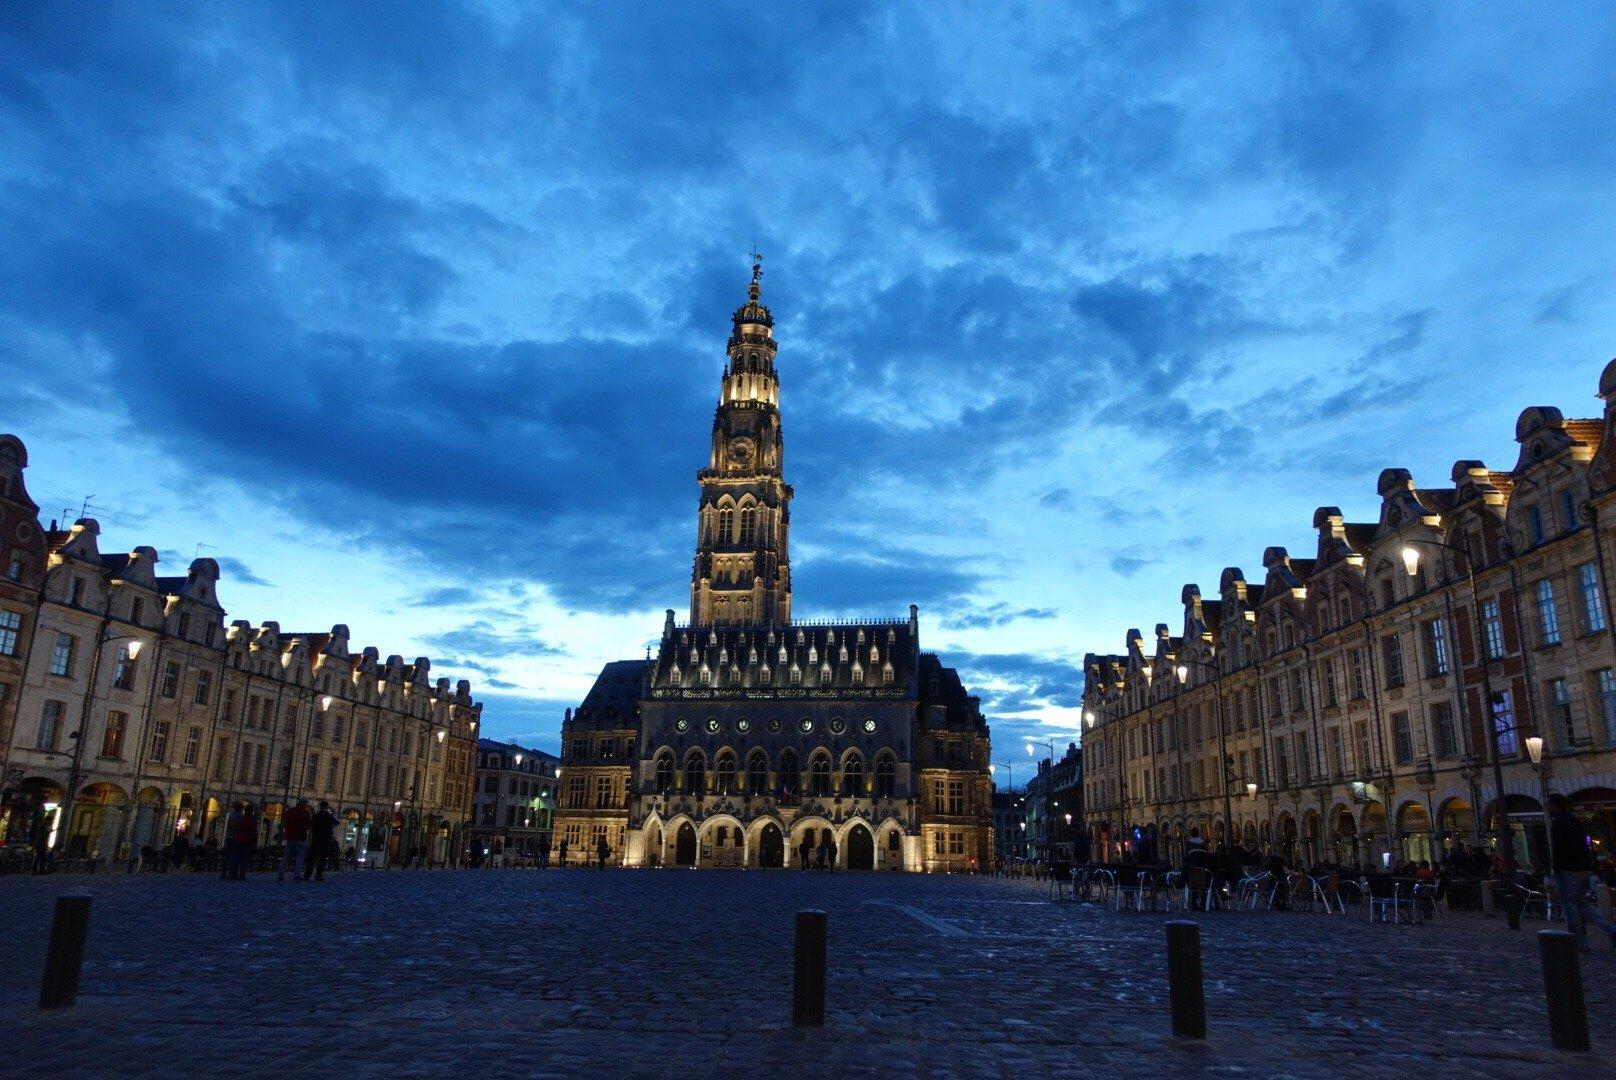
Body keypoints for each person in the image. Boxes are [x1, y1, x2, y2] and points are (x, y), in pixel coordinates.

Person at [1548, 793, 1616, 951]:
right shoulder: (1574, 820)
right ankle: (1610, 929)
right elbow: (1585, 843)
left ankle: (1579, 940)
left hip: (1568, 870)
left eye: (1549, 804)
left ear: (1555, 805)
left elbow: (1560, 848)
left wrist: (1557, 869)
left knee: (1569, 905)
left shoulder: (1559, 822)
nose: (1547, 807)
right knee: (1584, 905)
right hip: (1584, 868)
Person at [278, 798, 312, 882]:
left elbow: (285, 822)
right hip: (300, 838)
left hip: (290, 837)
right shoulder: (305, 813)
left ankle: (280, 875)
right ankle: (297, 875)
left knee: (286, 857)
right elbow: (308, 825)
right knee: (299, 857)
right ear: (305, 804)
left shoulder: (290, 812)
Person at [303, 801, 338, 881]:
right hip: (325, 839)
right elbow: (337, 822)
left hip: (316, 838)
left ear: (320, 806)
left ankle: (307, 874)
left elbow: (311, 825)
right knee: (322, 857)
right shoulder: (329, 815)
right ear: (326, 807)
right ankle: (318, 875)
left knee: (312, 857)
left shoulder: (316, 815)